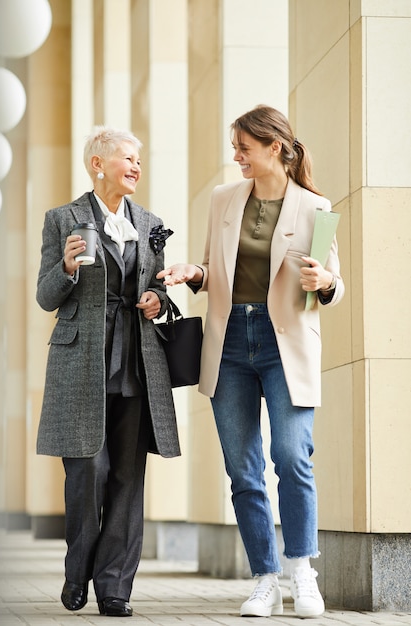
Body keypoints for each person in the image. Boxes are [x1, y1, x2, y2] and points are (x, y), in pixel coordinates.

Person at [157, 105, 344, 619]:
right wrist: (192, 272)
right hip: (230, 342)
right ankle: (265, 578)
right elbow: (213, 270)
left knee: (292, 458)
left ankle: (302, 571)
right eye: (234, 145)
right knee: (243, 469)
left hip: (287, 344)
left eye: (243, 146)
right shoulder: (223, 199)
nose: (235, 155)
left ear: (274, 148)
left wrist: (324, 283)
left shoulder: (316, 207)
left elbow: (333, 281)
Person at [36, 126, 180, 618]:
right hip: (82, 364)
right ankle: (78, 573)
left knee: (126, 478)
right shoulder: (63, 219)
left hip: (137, 365)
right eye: (127, 157)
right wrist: (68, 268)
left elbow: (163, 292)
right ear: (98, 164)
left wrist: (159, 300)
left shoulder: (150, 222)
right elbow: (45, 296)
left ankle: (115, 587)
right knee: (86, 474)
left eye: (139, 159)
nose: (137, 166)